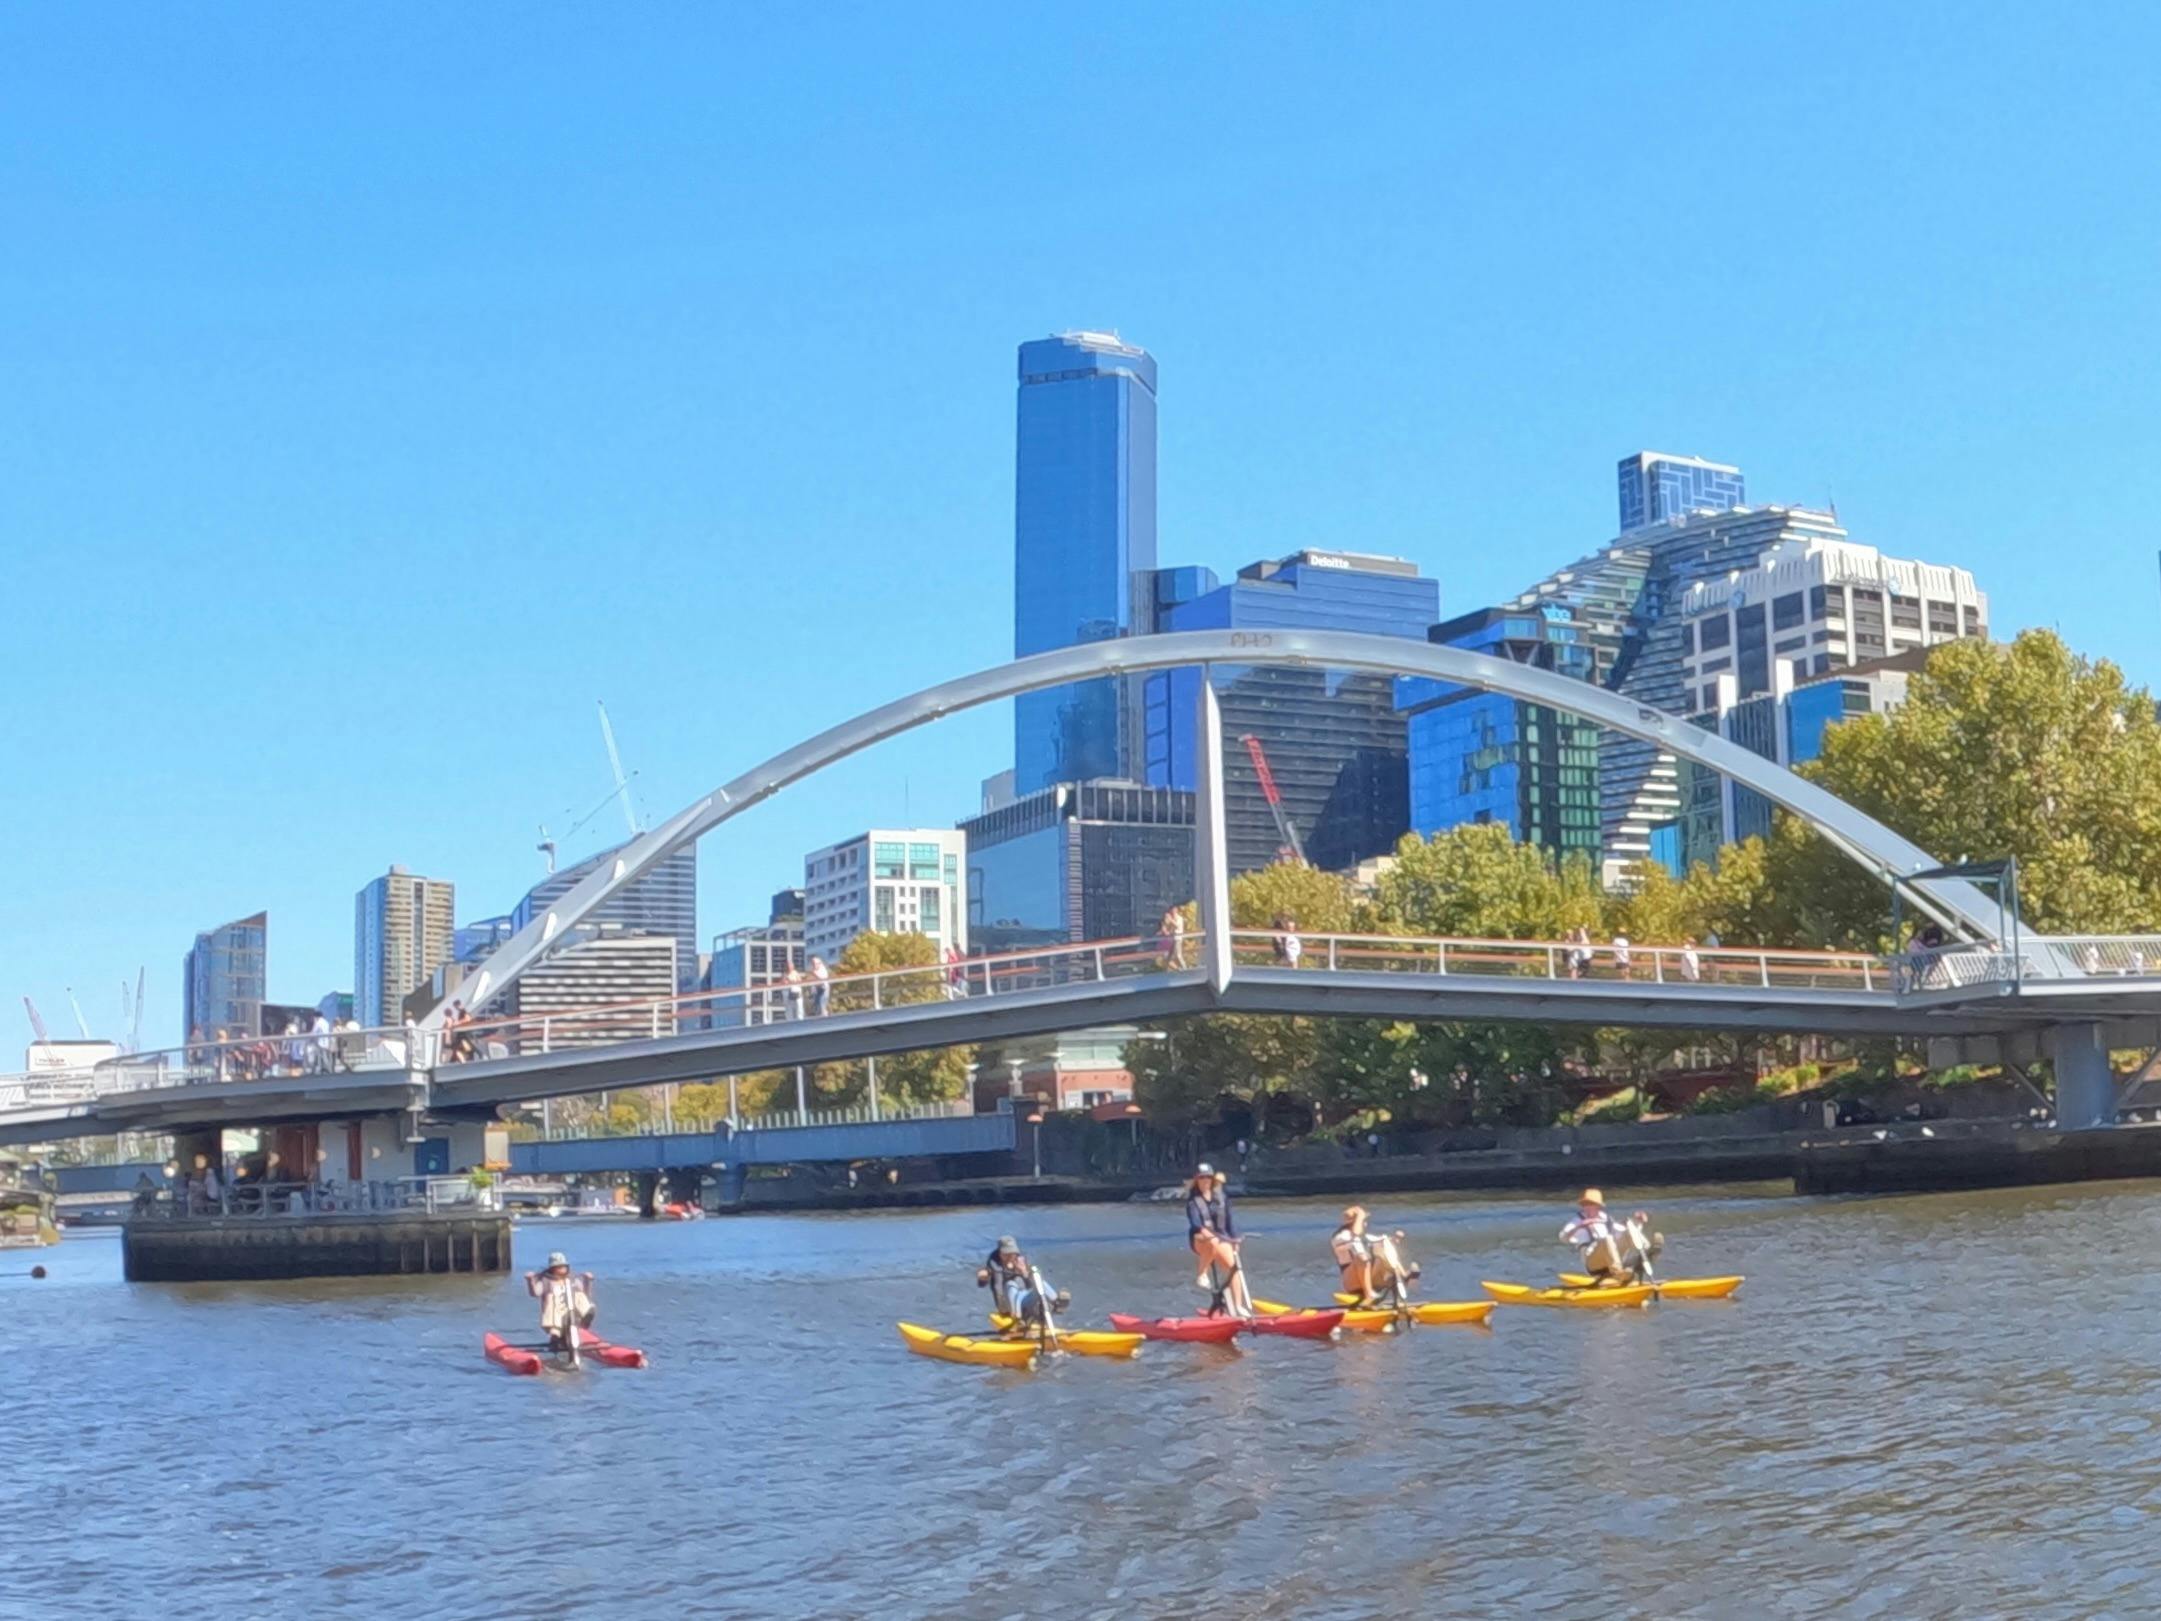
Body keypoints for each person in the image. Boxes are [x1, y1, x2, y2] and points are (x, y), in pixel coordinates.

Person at [1186, 1164, 1251, 1318]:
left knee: (1233, 1268)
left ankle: (1238, 1306)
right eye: (1202, 1178)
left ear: (1212, 1180)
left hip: (1221, 1237)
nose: (1205, 1181)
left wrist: (1235, 1239)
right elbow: (1195, 1224)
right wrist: (1206, 1233)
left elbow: (1229, 1222)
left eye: (1208, 1177)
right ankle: (1202, 1274)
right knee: (1212, 1242)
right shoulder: (1192, 1202)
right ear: (1197, 1181)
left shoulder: (1222, 1198)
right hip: (1200, 1239)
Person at [1558, 1188, 1655, 1286]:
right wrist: (1580, 1226)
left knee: (1629, 1230)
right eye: (1585, 1204)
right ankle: (1618, 1272)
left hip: (1611, 1259)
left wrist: (1637, 1220)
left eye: (1591, 1204)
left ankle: (1646, 1253)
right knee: (1607, 1239)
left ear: (1598, 1206)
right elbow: (1563, 1238)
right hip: (1593, 1262)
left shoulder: (1606, 1218)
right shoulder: (1577, 1220)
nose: (1587, 1207)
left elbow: (1622, 1230)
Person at [1331, 1206, 1420, 1307]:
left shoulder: (1361, 1236)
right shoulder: (1340, 1236)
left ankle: (1401, 1279)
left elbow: (1378, 1240)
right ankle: (1369, 1294)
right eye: (1363, 1220)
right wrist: (1360, 1215)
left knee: (1383, 1250)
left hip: (1368, 1277)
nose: (1366, 1223)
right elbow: (1355, 1235)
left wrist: (1393, 1240)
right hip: (1351, 1282)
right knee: (1362, 1258)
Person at [976, 1235, 1065, 1330]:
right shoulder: (994, 1265)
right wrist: (983, 1278)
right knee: (1010, 1284)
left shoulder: (1020, 1261)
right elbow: (987, 1285)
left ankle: (1057, 1303)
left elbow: (1030, 1287)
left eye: (1012, 1254)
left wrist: (1024, 1272)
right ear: (1000, 1253)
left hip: (1025, 1300)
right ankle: (1018, 1320)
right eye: (1006, 1254)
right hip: (1009, 1306)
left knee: (1039, 1282)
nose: (1010, 1257)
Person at [525, 1251, 597, 1351]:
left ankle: (586, 1314)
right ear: (552, 1269)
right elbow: (535, 1293)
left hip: (572, 1312)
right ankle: (556, 1332)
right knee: (552, 1297)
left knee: (578, 1295)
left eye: (564, 1266)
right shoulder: (546, 1281)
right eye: (559, 1266)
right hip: (556, 1315)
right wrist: (530, 1281)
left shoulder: (572, 1280)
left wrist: (587, 1281)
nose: (562, 1268)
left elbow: (585, 1294)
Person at [1162, 905, 1188, 969]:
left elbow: (1177, 926)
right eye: (1171, 910)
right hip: (1172, 940)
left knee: (1178, 955)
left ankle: (1185, 968)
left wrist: (1170, 919)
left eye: (1174, 910)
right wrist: (1165, 923)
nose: (1172, 911)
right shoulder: (1172, 919)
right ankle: (1178, 970)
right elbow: (1168, 930)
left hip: (1178, 939)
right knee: (1168, 958)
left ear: (1176, 910)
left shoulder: (1179, 918)